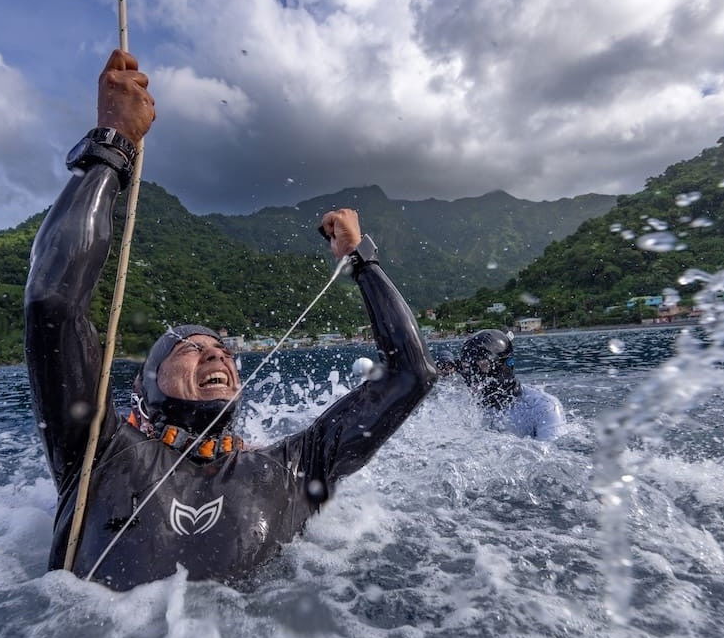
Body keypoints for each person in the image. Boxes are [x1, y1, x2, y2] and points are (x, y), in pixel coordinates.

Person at [24, 49, 437, 590]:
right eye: (192, 347)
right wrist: (112, 144)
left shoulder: (295, 468)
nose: (219, 353)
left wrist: (364, 261)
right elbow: (54, 302)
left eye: (223, 350)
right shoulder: (95, 454)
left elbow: (410, 373)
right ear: (144, 385)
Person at [446, 329, 566, 440]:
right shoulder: (463, 408)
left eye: (483, 366)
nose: (475, 377)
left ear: (507, 365)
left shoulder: (543, 407)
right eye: (469, 368)